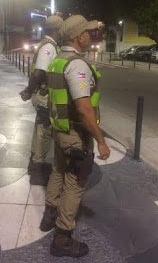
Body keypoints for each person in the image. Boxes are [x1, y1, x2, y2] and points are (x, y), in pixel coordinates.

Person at [40, 15, 111, 257]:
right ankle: (62, 238)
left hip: (60, 130)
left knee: (58, 172)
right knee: (75, 183)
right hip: (75, 134)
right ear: (79, 36)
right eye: (89, 32)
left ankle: (49, 215)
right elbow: (83, 108)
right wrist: (101, 141)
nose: (91, 35)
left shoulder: (58, 60)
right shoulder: (77, 65)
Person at [20, 15, 64, 186]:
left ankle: (34, 163)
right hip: (44, 96)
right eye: (61, 29)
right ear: (57, 30)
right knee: (44, 132)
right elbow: (39, 72)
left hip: (41, 94)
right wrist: (29, 91)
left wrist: (30, 91)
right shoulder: (48, 47)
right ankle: (37, 168)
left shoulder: (46, 44)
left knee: (39, 128)